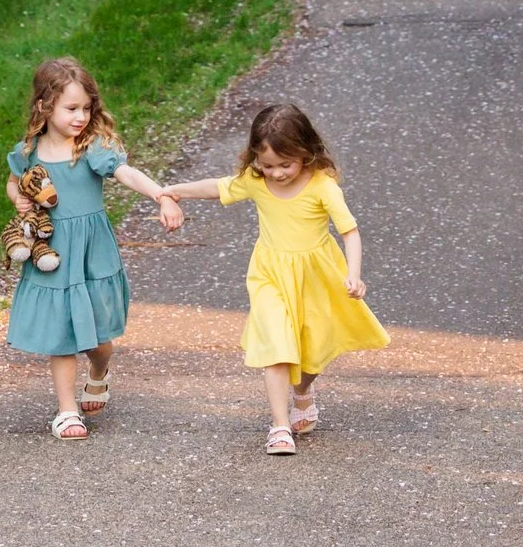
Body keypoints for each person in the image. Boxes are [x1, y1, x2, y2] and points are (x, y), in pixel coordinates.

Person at [163, 99, 387, 453]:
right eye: (268, 165)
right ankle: (280, 426)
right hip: (269, 276)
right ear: (255, 158)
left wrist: (354, 275)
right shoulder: (255, 181)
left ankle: (303, 390)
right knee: (277, 347)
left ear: (306, 153)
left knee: (311, 350)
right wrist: (174, 191)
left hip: (316, 277)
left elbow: (350, 232)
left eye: (286, 164)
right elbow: (219, 187)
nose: (278, 173)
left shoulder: (322, 185)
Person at [6, 56, 182, 439]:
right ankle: (67, 411)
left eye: (87, 108)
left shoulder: (92, 148)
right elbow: (15, 179)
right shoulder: (29, 150)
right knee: (62, 333)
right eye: (71, 108)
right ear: (44, 106)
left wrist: (161, 196)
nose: (81, 116)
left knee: (99, 342)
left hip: (90, 252)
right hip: (52, 251)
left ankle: (100, 370)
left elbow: (126, 173)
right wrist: (18, 198)